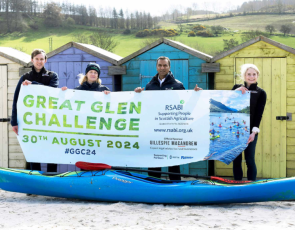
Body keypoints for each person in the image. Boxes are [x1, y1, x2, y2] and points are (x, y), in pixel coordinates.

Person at [134, 56, 202, 180]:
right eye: (160, 65)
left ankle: (175, 185)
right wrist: (138, 95)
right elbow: (145, 106)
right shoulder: (149, 86)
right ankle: (153, 184)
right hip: (154, 129)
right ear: (156, 67)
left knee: (173, 159)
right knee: (154, 158)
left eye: (165, 65)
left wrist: (195, 95)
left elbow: (185, 106)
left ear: (169, 67)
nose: (162, 68)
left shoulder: (177, 85)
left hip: (172, 129)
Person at [11, 49, 58, 172]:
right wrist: (14, 122)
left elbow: (52, 91)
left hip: (49, 120)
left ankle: (51, 180)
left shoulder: (52, 76)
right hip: (30, 120)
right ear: (32, 60)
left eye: (41, 59)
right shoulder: (24, 77)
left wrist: (33, 84)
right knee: (32, 150)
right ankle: (35, 181)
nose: (39, 61)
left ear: (45, 60)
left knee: (51, 149)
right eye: (36, 59)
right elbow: (16, 100)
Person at [62, 63, 110, 171]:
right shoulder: (77, 90)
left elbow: (110, 107)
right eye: (91, 72)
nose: (93, 74)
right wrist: (64, 94)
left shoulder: (103, 89)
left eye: (95, 73)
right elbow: (70, 106)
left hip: (98, 130)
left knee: (98, 157)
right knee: (84, 159)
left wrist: (109, 96)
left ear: (98, 75)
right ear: (86, 74)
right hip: (83, 131)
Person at [232, 64, 267, 181]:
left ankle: (252, 186)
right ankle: (238, 184)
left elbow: (259, 114)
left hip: (251, 132)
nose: (251, 77)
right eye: (249, 74)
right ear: (244, 76)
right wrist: (235, 91)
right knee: (236, 159)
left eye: (254, 74)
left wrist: (254, 133)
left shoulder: (261, 93)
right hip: (236, 130)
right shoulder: (236, 88)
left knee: (249, 159)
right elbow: (227, 101)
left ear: (257, 76)